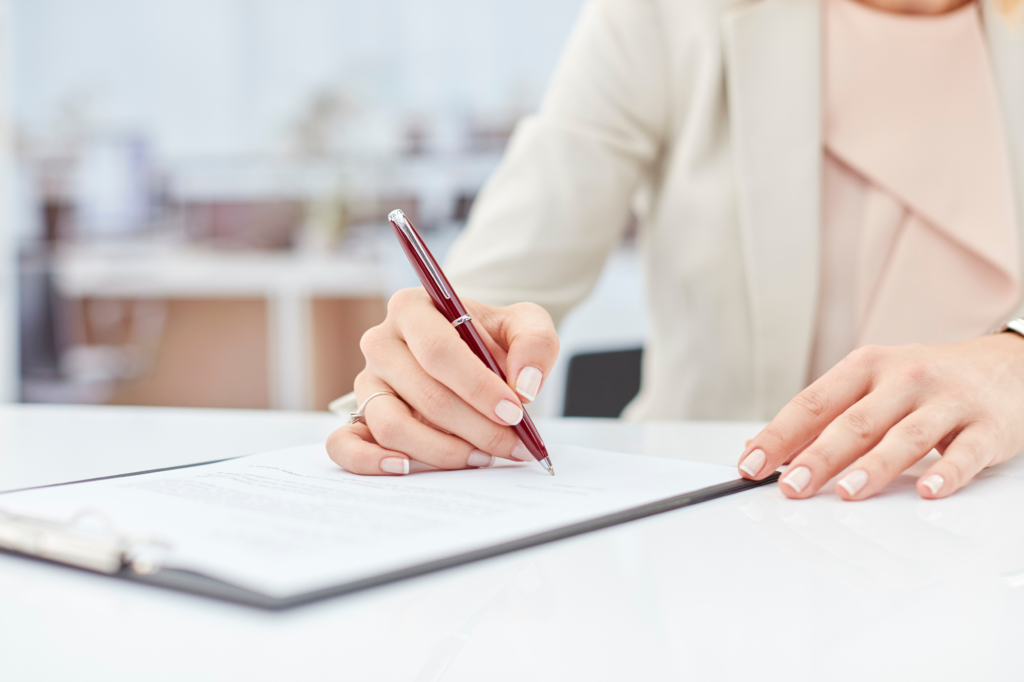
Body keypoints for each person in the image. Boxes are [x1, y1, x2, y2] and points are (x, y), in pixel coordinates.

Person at [327, 0, 1024, 501]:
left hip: (983, 524)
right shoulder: (664, 15)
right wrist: (424, 375)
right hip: (708, 534)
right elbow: (495, 284)